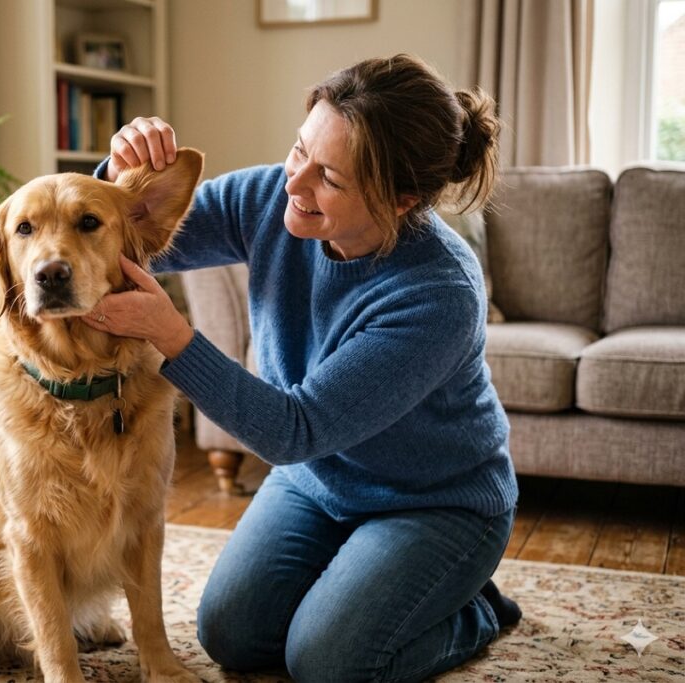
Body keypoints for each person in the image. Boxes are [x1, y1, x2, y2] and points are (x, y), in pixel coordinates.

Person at [81, 53, 521, 683]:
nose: (295, 183)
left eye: (330, 179)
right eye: (298, 151)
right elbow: (139, 236)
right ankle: (365, 578)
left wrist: (171, 336)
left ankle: (473, 610)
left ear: (400, 200)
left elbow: (294, 429)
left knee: (328, 663)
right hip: (317, 479)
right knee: (230, 635)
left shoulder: (438, 292)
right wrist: (119, 177)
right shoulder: (271, 198)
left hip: (433, 503)